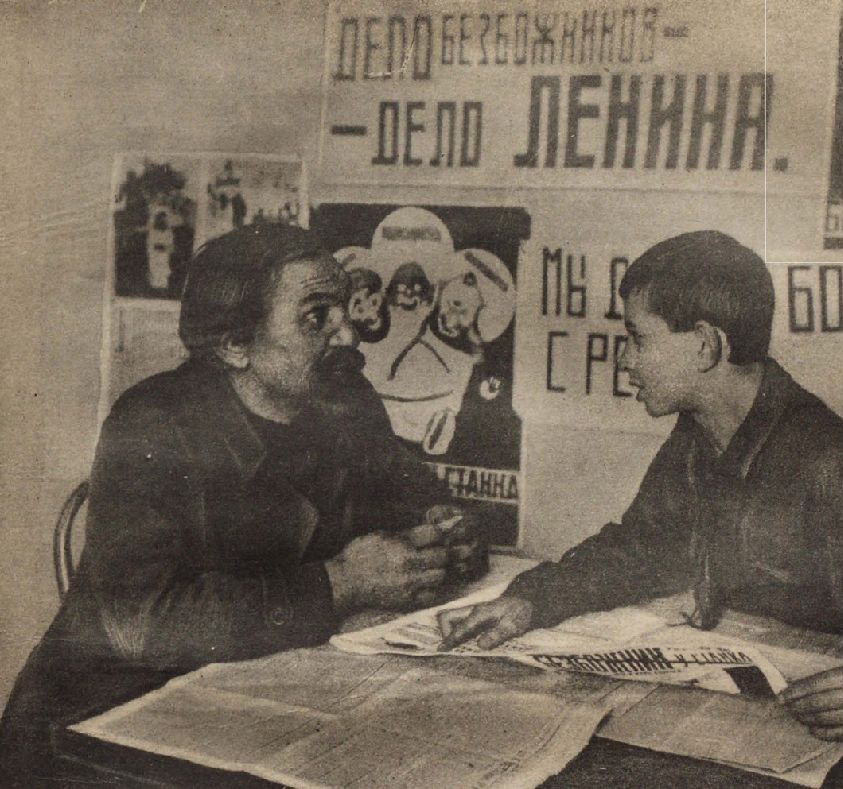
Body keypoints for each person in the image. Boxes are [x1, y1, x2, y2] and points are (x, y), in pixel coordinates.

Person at [439, 230, 843, 786]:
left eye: (637, 338)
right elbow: (639, 547)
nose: (625, 361)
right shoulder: (702, 435)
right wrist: (532, 601)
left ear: (706, 346)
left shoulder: (836, 471)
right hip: (771, 699)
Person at [0, 224, 484, 785]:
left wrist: (447, 525)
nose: (350, 336)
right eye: (316, 316)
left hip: (259, 697)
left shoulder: (345, 399)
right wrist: (341, 584)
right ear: (235, 344)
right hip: (97, 728)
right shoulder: (153, 424)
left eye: (345, 308)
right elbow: (145, 625)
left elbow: (410, 493)